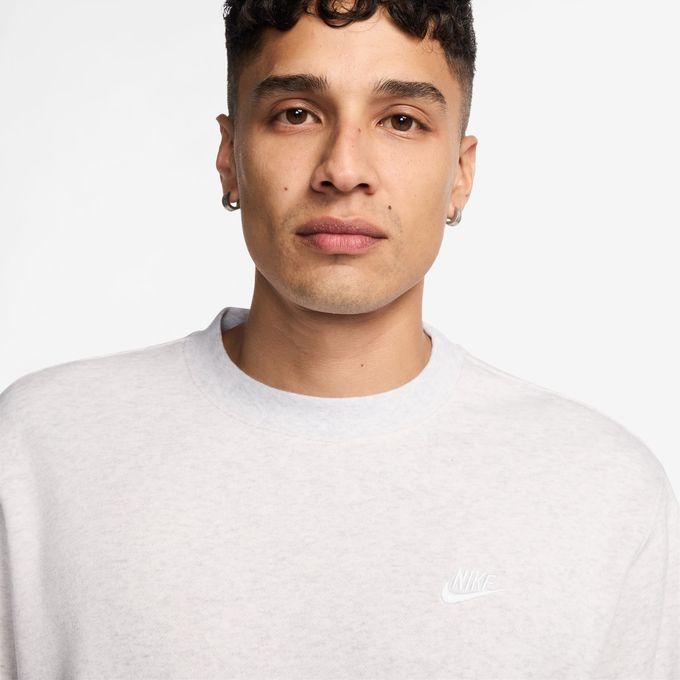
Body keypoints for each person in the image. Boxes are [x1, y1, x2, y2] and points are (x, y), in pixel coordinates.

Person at [1, 1, 678, 677]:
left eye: (402, 121)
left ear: (461, 173)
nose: (344, 169)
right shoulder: (39, 451)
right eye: (297, 113)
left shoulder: (602, 491)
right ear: (230, 157)